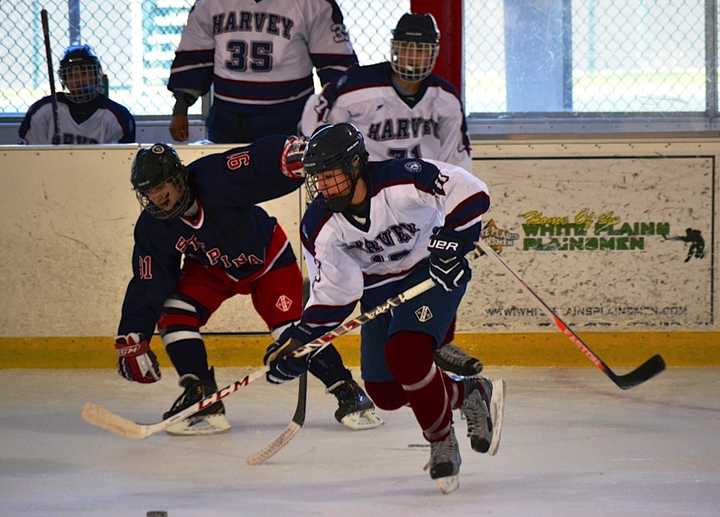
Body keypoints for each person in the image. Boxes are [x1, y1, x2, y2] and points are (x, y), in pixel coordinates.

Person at [263, 123, 505, 493]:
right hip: (378, 289)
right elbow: (335, 291)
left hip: (432, 273)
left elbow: (469, 190)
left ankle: (441, 440)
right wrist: (301, 341)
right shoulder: (319, 225)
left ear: (356, 165)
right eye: (318, 179)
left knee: (406, 352)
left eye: (332, 176)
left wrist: (455, 240)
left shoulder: (400, 179)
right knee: (386, 392)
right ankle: (469, 392)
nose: (325, 187)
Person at [115, 134, 381, 435]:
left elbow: (251, 162)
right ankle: (202, 396)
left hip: (268, 260)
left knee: (291, 333)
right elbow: (149, 280)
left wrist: (284, 157)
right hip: (212, 270)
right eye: (148, 193)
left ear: (178, 179)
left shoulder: (212, 177)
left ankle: (348, 391)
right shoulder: (153, 226)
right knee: (174, 314)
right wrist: (132, 334)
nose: (156, 198)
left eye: (161, 188)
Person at [300, 12, 481, 376]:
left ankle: (438, 344)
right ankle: (399, 360)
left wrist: (458, 220)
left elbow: (457, 166)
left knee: (437, 267)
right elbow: (314, 125)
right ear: (394, 49)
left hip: (420, 203)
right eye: (406, 50)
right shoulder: (356, 88)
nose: (413, 59)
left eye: (421, 51)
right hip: (368, 201)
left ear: (433, 54)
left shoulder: (444, 99)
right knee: (379, 281)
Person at [167, 0, 358, 144]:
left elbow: (336, 63)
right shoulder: (211, 3)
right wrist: (181, 106)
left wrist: (343, 112)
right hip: (228, 117)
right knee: (229, 185)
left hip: (289, 116)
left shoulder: (312, 3)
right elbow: (194, 55)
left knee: (287, 186)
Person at [19, 44, 135, 145]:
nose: (78, 80)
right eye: (72, 75)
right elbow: (31, 158)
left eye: (84, 73)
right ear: (64, 79)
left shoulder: (118, 116)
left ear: (96, 75)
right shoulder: (43, 112)